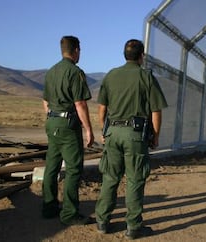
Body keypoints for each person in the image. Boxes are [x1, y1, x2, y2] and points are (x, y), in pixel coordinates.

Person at [95, 39, 168, 239]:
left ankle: (102, 221)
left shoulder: (111, 75)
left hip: (113, 133)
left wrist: (104, 131)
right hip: (135, 136)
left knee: (110, 177)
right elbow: (156, 111)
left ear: (124, 55)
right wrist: (156, 136)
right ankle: (133, 227)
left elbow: (102, 109)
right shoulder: (146, 76)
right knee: (135, 179)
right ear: (141, 56)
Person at [42, 35, 94, 226]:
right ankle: (70, 213)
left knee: (52, 166)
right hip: (68, 125)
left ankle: (49, 208)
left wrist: (52, 118)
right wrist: (88, 129)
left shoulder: (51, 72)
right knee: (73, 169)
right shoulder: (75, 72)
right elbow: (79, 103)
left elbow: (45, 101)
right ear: (76, 51)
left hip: (52, 121)